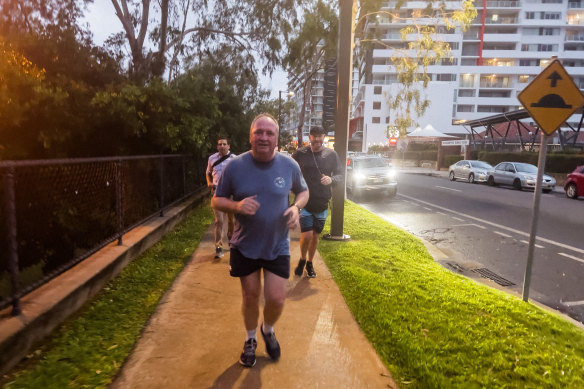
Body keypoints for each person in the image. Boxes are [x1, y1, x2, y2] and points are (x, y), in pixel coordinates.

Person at [211, 113, 309, 368]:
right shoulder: (235, 166)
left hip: (277, 245)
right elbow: (216, 199)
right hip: (245, 245)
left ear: (277, 138)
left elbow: (303, 191)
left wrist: (297, 208)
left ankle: (268, 329)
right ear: (250, 136)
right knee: (251, 297)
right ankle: (251, 339)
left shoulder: (289, 165)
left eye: (269, 133)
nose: (264, 137)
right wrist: (237, 205)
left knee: (276, 299)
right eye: (259, 132)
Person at [292, 126, 343, 278]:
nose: (317, 140)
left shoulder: (331, 154)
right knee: (306, 234)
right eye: (314, 136)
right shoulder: (300, 153)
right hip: (305, 200)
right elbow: (289, 169)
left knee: (315, 236)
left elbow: (340, 174)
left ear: (324, 137)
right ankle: (302, 259)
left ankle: (309, 262)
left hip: (322, 202)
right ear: (310, 138)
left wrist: (331, 179)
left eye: (320, 136)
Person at [206, 137, 236, 258]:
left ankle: (231, 239)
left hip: (231, 194)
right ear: (217, 146)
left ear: (228, 146)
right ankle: (218, 247)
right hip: (217, 193)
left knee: (231, 220)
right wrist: (209, 182)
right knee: (219, 221)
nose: (222, 146)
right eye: (220, 144)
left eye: (224, 144)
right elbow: (207, 172)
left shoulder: (234, 159)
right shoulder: (212, 158)